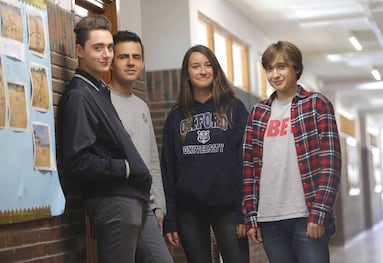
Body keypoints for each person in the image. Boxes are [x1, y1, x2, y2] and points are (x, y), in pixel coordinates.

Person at [58, 15, 151, 263]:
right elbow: (76, 160)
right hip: (115, 203)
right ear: (79, 50)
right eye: (97, 48)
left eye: (109, 47)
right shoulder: (80, 95)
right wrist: (124, 167)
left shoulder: (97, 90)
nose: (106, 54)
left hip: (131, 202)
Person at [242, 41, 341, 263]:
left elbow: (330, 164)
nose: (275, 74)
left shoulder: (317, 105)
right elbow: (249, 169)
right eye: (269, 68)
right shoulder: (258, 113)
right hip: (270, 219)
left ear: (296, 68)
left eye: (281, 67)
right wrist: (251, 216)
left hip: (307, 217)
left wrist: (320, 211)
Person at [161, 44, 250, 263]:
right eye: (196, 66)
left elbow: (246, 163)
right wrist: (171, 218)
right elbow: (168, 170)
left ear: (216, 70)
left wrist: (244, 211)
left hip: (229, 209)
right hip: (189, 212)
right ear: (187, 74)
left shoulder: (234, 109)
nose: (202, 71)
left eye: (208, 65)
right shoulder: (176, 116)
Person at [107, 30, 173, 263]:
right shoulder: (102, 102)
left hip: (147, 207)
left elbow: (151, 160)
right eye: (123, 56)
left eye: (136, 57)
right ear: (111, 61)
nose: (131, 62)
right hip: (120, 203)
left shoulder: (142, 106)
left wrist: (160, 208)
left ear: (143, 63)